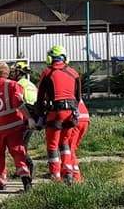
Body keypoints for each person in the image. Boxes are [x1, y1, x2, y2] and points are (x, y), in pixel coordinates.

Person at [0, 62, 35, 191]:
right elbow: (19, 103)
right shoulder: (13, 85)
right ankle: (26, 182)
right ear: (8, 73)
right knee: (18, 154)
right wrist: (29, 118)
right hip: (13, 127)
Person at [35, 45, 82, 184]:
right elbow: (78, 97)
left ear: (49, 58)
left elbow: (40, 98)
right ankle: (67, 172)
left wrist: (40, 115)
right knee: (65, 143)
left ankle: (55, 176)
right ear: (65, 58)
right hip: (71, 113)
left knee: (52, 145)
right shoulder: (74, 73)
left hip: (55, 113)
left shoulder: (47, 73)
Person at [9, 61, 38, 175]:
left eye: (14, 71)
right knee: (22, 145)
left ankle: (27, 167)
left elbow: (18, 102)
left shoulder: (19, 85)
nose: (12, 74)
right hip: (31, 119)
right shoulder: (31, 85)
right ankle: (22, 169)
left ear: (19, 72)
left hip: (23, 120)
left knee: (19, 147)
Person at [70, 99, 90, 182]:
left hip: (76, 119)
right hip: (85, 117)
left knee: (68, 149)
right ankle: (69, 170)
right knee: (72, 149)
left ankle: (76, 176)